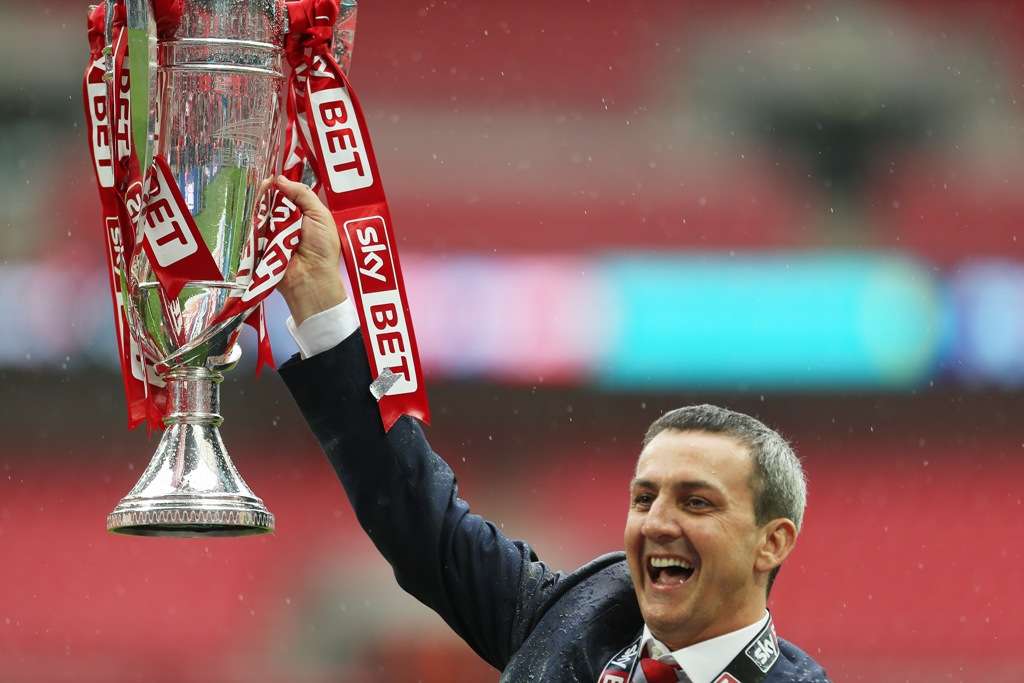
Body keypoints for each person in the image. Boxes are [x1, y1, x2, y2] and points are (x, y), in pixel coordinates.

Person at [272, 175, 831, 683]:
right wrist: (319, 297)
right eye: (645, 497)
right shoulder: (581, 612)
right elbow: (413, 512)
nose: (658, 522)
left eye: (697, 503)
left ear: (772, 542)